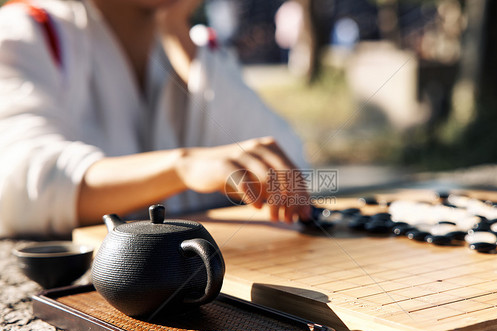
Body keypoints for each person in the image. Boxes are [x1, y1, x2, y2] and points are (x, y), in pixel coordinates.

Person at [0, 0, 311, 237]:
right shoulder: (27, 30)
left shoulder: (193, 47)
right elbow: (18, 183)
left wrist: (177, 30)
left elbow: (291, 170)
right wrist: (181, 166)